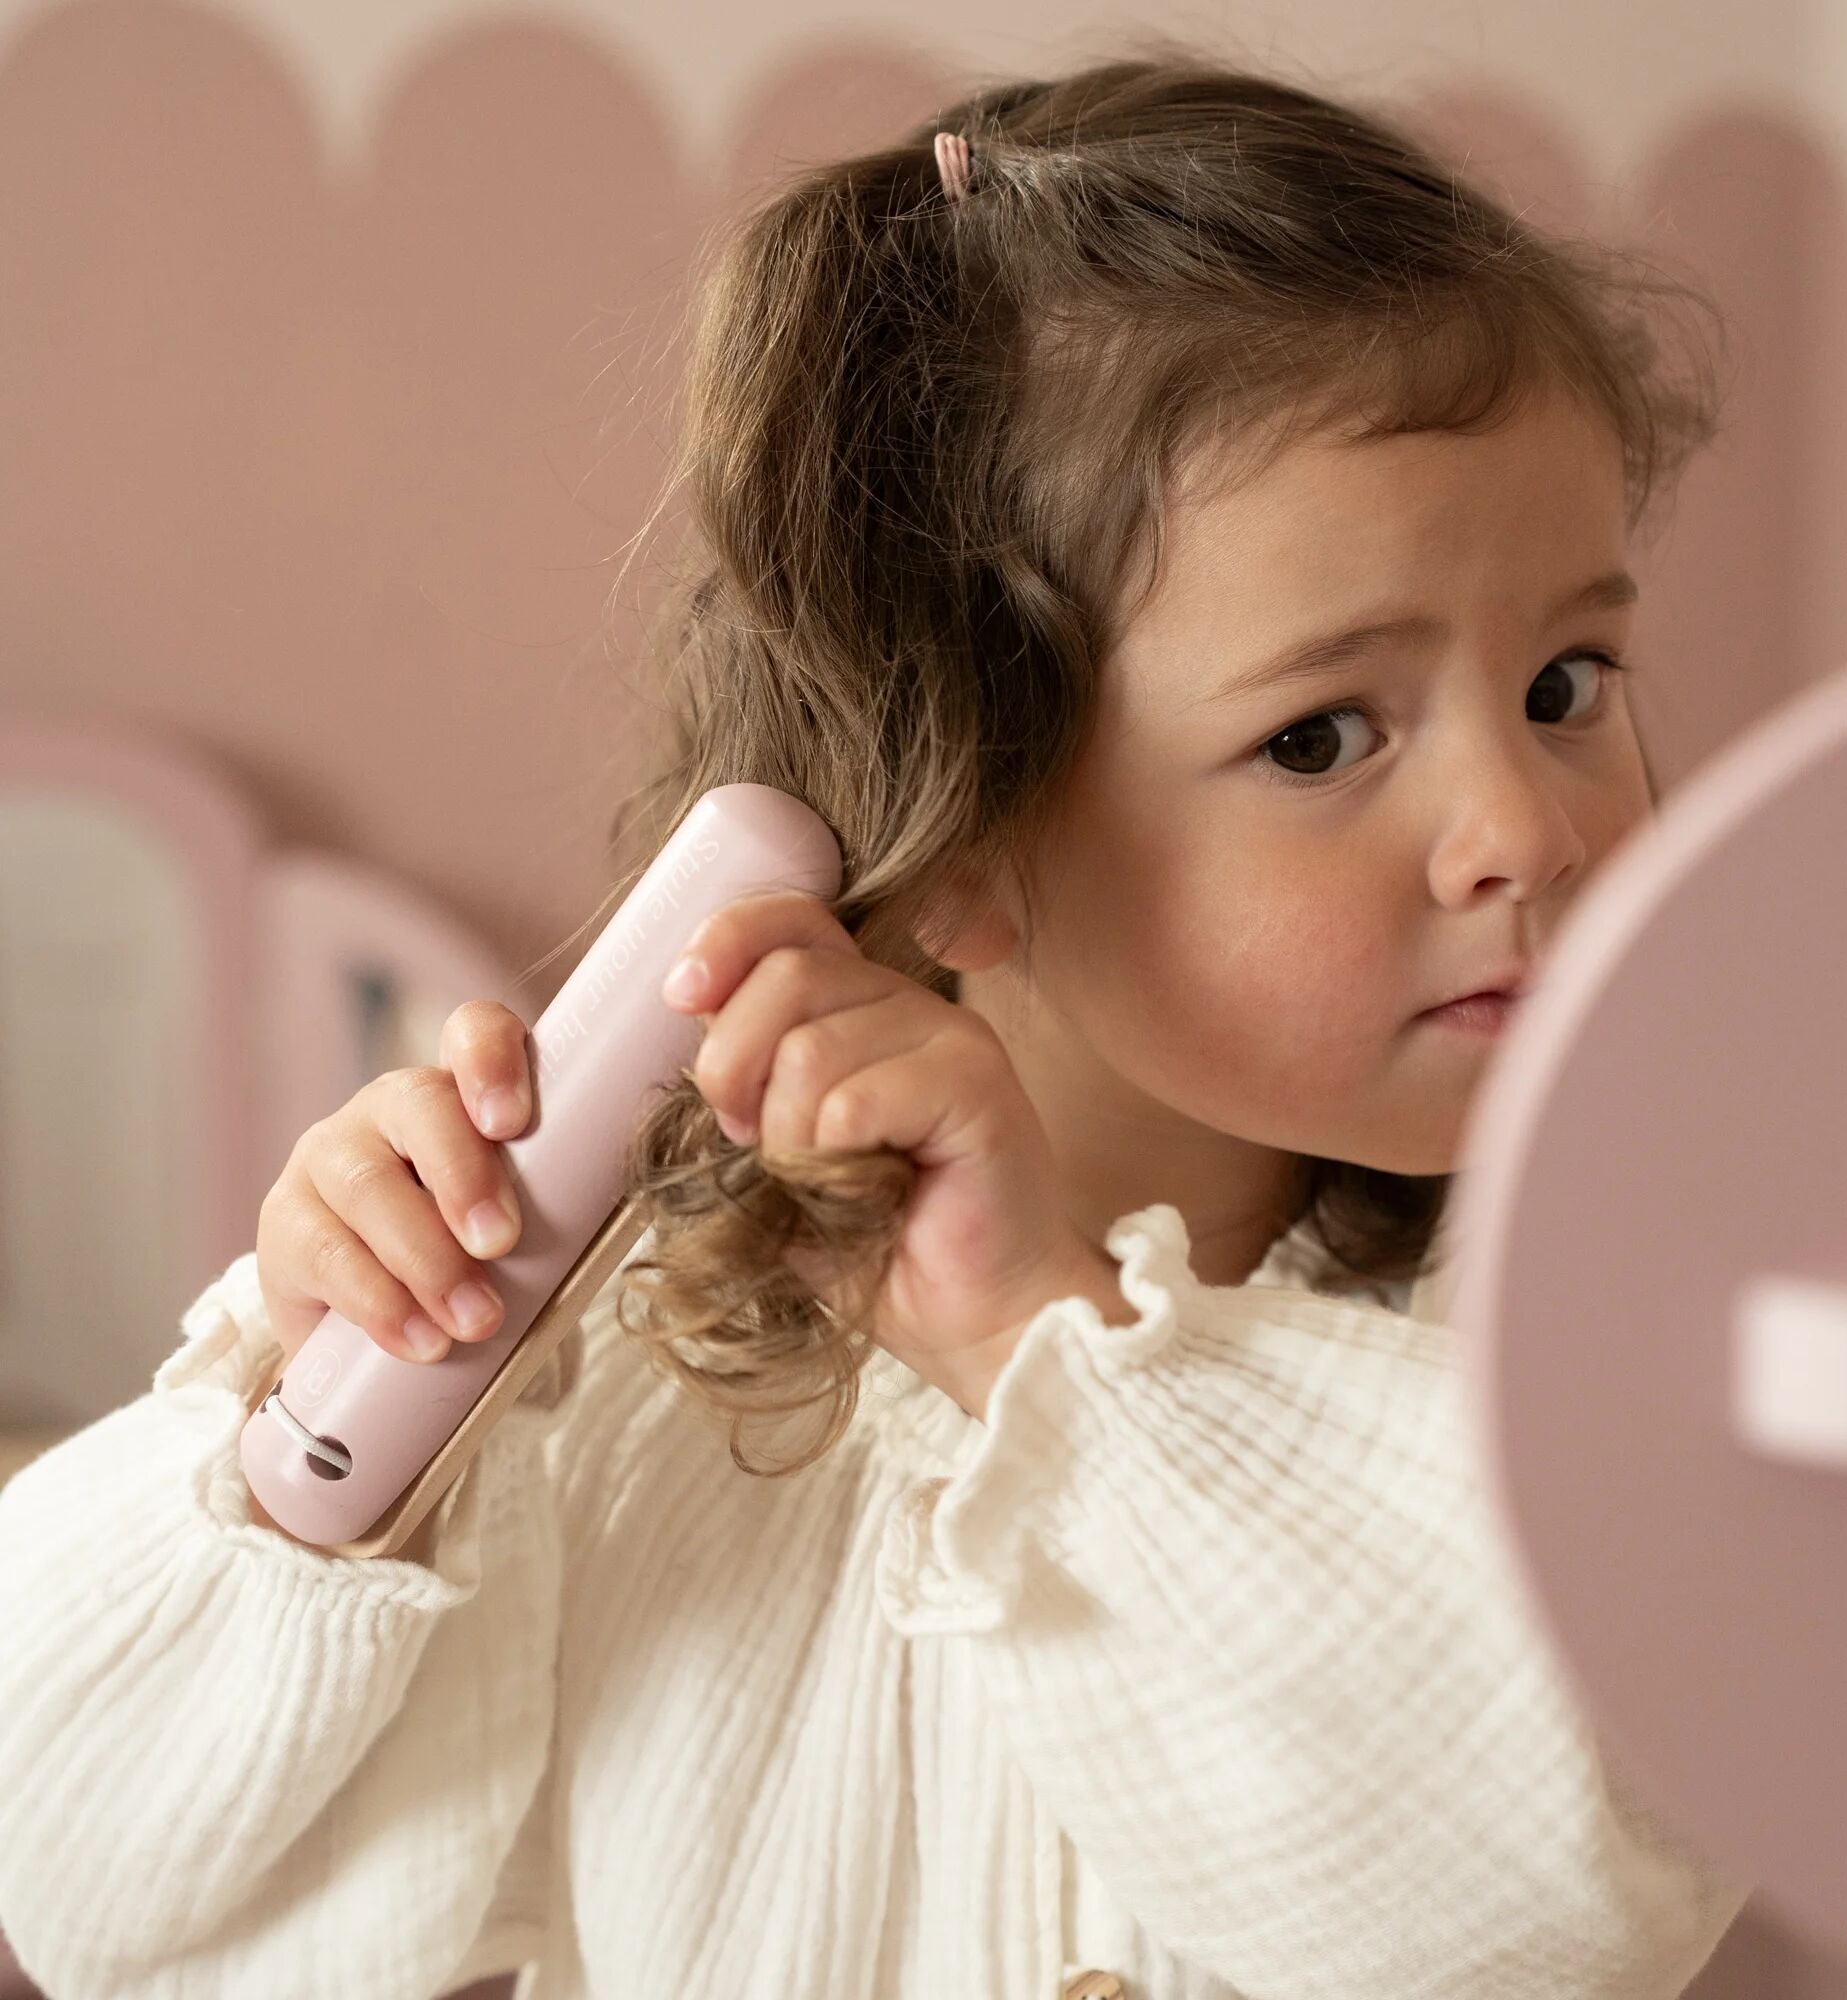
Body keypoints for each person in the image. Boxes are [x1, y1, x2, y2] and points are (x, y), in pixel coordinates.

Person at [0, 42, 1753, 2000]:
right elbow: (88, 1887)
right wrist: (321, 1442)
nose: (1528, 827)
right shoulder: (652, 1377)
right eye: (1324, 735)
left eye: (1567, 682)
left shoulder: (1591, 1331)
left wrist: (1038, 1350)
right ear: (958, 833)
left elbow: (1565, 1896)